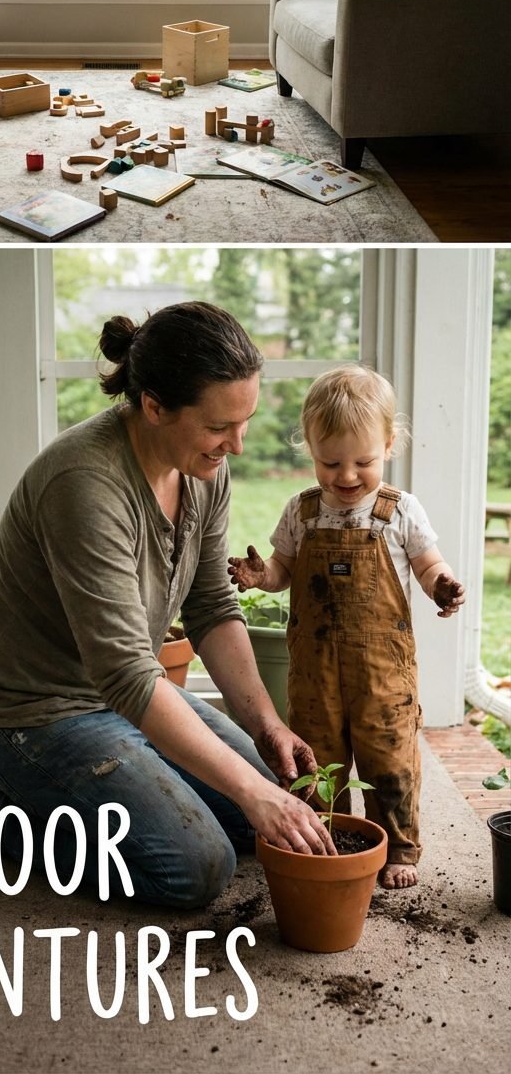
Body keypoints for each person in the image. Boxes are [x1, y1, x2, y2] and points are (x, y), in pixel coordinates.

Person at [0, 301, 335, 910]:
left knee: (253, 821)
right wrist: (249, 789)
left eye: (246, 422)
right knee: (196, 868)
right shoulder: (84, 484)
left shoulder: (202, 469)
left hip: (124, 694)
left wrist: (267, 726)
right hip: (33, 713)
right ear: (154, 406)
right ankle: (14, 823)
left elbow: (211, 605)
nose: (236, 445)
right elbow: (128, 672)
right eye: (218, 427)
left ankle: (68, 799)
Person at [228, 363, 465, 891]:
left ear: (388, 444)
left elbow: (427, 565)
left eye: (364, 461)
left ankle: (398, 844)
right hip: (313, 665)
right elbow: (283, 571)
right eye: (330, 462)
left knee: (388, 752)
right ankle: (324, 835)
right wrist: (258, 575)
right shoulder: (303, 511)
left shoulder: (399, 510)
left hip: (382, 668)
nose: (347, 475)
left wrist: (442, 584)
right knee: (317, 756)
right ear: (309, 448)